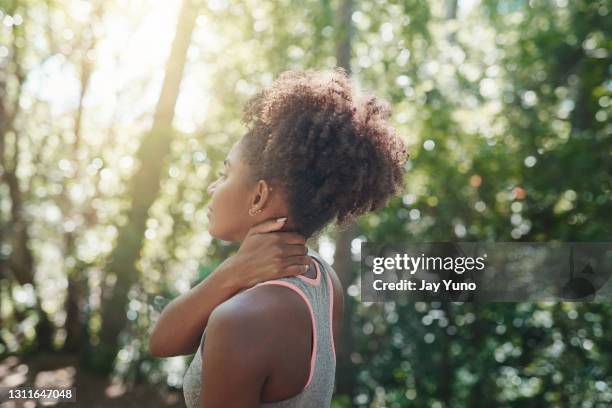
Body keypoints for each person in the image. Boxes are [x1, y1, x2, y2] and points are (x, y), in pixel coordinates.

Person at [149, 67, 407, 407]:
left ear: (258, 196)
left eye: (224, 173)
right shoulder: (325, 283)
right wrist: (234, 271)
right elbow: (162, 342)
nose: (213, 188)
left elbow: (160, 343)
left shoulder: (242, 320)